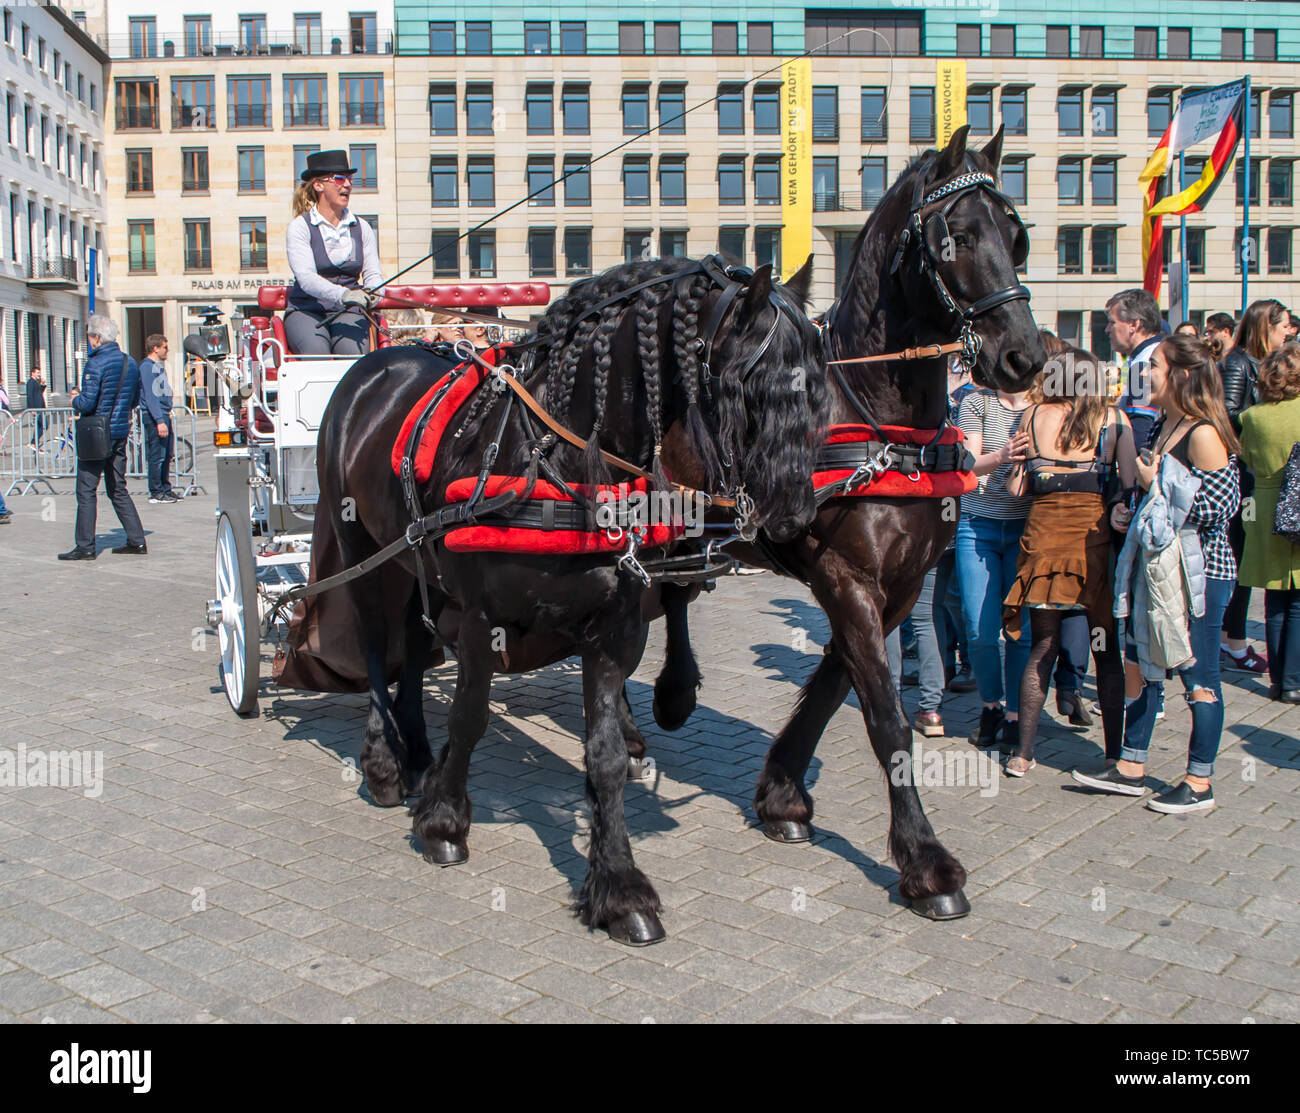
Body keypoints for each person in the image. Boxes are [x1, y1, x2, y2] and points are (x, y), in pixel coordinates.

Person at [1073, 334, 1241, 814]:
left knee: (1198, 675)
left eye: (1154, 369)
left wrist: (1155, 490)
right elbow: (1156, 494)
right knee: (1142, 664)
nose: (1143, 376)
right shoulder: (1166, 422)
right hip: (1158, 569)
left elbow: (1220, 507)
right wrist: (1131, 508)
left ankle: (1200, 781)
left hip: (1199, 575)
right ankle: (1130, 766)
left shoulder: (1204, 432)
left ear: (1182, 376)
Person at [1001, 349, 1137, 776]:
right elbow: (1130, 487)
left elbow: (1016, 489)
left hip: (1042, 545)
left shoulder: (1032, 415)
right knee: (1105, 649)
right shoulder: (1114, 421)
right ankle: (1114, 754)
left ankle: (1023, 754)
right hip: (1092, 548)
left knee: (1043, 646)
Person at [956, 381, 1033, 750]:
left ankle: (1017, 714)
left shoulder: (1042, 403)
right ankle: (991, 705)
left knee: (1020, 630)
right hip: (977, 525)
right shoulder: (977, 401)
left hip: (1026, 529)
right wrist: (1002, 455)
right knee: (979, 629)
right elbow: (968, 465)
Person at [1219, 298, 1290, 674]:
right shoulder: (1238, 363)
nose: (1288, 333)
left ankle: (1230, 636)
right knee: (1240, 558)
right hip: (1241, 475)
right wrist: (1260, 425)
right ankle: (1233, 640)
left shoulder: (1253, 363)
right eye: (1283, 327)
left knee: (1243, 556)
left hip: (1250, 472)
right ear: (1266, 327)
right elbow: (1228, 413)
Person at [1237, 342, 1300, 702]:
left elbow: (1244, 456)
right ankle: (1293, 680)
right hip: (1297, 501)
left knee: (1275, 598)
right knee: (1299, 602)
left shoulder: (1253, 417)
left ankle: (1278, 681)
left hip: (1264, 506)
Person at [58, 315, 147, 561]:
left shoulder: (96, 363)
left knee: (85, 490)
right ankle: (137, 540)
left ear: (97, 338)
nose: (89, 341)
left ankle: (85, 546)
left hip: (97, 434)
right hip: (119, 432)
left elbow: (87, 402)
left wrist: (74, 400)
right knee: (118, 488)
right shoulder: (129, 362)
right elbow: (135, 400)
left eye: (89, 336)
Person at [284, 149, 384, 355]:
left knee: (353, 356)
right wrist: (345, 294)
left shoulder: (362, 227)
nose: (347, 184)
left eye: (349, 178)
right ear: (319, 185)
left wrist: (375, 293)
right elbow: (307, 278)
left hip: (349, 311)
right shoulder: (300, 227)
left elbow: (373, 273)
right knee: (316, 351)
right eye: (339, 178)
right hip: (307, 310)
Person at [1106, 288, 1164, 453]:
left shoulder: (1144, 365)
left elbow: (1139, 433)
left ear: (1133, 324)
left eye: (1112, 322)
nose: (1107, 329)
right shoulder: (1144, 357)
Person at [138, 333, 179, 504]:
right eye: (164, 347)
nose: (166, 350)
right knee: (158, 454)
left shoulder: (157, 366)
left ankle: (165, 487)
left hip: (163, 413)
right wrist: (159, 420)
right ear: (155, 348)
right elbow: (150, 395)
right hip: (156, 416)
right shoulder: (147, 367)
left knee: (167, 453)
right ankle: (156, 490)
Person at [25, 366, 46, 444]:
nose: (39, 374)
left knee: (40, 426)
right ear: (32, 373)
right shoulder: (30, 382)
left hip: (40, 408)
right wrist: (32, 408)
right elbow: (30, 396)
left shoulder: (35, 382)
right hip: (36, 408)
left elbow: (39, 393)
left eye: (39, 373)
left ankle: (35, 443)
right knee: (44, 425)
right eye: (37, 372)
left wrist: (43, 385)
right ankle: (34, 442)